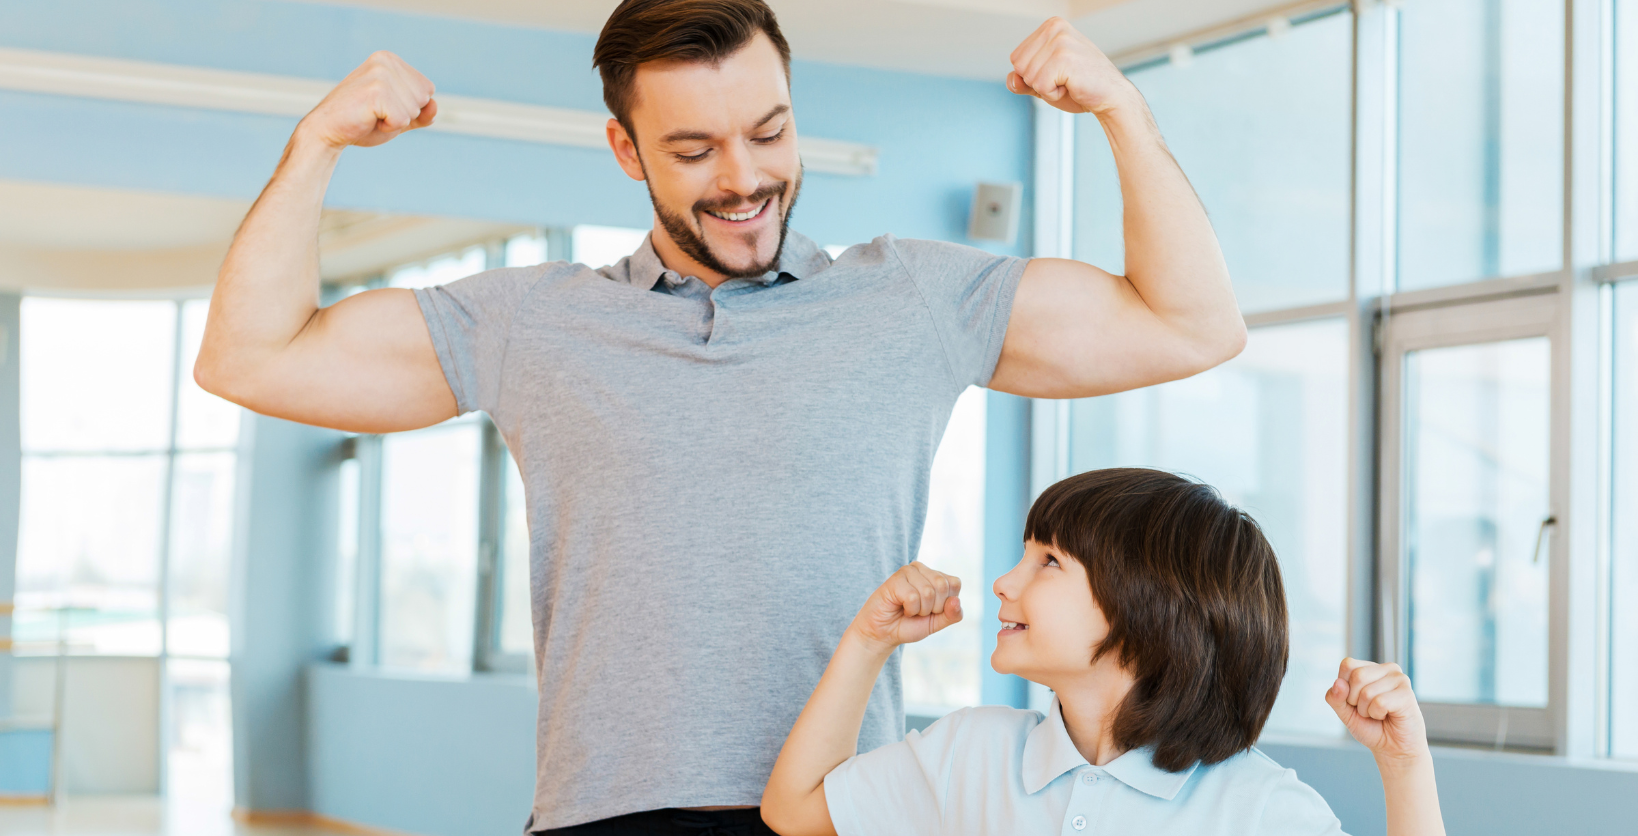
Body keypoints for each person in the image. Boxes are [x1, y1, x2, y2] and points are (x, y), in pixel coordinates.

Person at [194, 0, 1246, 831]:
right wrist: (317, 142)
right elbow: (253, 357)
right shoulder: (533, 321)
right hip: (604, 814)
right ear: (625, 149)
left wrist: (1122, 110)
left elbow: (1189, 324)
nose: (745, 179)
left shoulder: (913, 299)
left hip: (845, 811)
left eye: (770, 132)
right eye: (694, 149)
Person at [761, 468, 1447, 836]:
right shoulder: (968, 753)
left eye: (1049, 562)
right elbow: (793, 810)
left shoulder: (1258, 809)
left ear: (1148, 611)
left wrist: (1405, 768)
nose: (1005, 581)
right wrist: (868, 642)